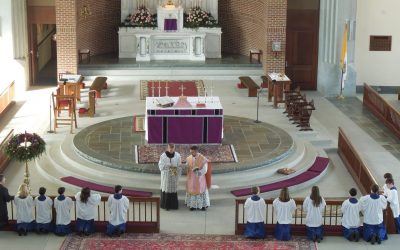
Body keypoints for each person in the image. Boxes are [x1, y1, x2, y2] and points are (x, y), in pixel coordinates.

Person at [185, 145, 211, 211]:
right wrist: (186, 166)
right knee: (192, 191)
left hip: (199, 178)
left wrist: (198, 172)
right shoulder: (189, 158)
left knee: (201, 191)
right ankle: (192, 206)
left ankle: (202, 205)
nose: (191, 154)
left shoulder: (203, 159)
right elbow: (187, 165)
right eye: (190, 152)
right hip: (191, 179)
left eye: (192, 152)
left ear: (196, 151)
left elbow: (205, 169)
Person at [158, 143, 182, 210]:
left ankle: (173, 206)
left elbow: (179, 165)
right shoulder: (163, 156)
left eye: (173, 148)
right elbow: (160, 166)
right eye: (170, 148)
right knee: (167, 189)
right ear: (168, 148)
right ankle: (166, 206)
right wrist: (167, 166)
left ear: (174, 148)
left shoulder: (177, 155)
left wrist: (178, 166)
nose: (171, 150)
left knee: (173, 190)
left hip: (174, 174)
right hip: (166, 175)